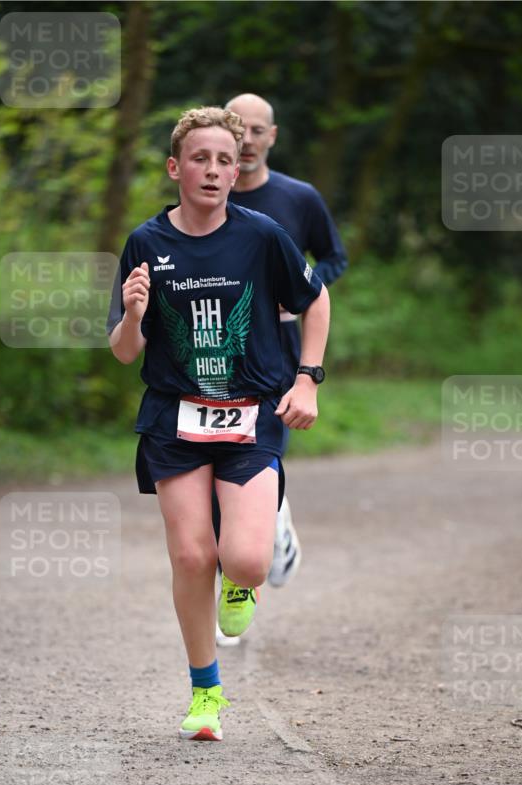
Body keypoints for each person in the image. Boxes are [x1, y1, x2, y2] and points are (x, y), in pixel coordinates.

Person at [107, 107, 330, 741]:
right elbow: (126, 352)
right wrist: (131, 314)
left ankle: (247, 581)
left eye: (224, 161)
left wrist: (308, 378)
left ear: (239, 170)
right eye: (200, 159)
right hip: (174, 420)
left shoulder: (261, 236)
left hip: (251, 415)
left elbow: (317, 302)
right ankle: (206, 693)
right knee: (190, 554)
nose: (212, 170)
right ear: (176, 167)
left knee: (248, 561)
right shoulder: (146, 243)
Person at [225, 92, 347, 593]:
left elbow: (334, 258)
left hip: (278, 347)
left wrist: (301, 293)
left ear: (272, 136)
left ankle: (269, 530)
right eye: (239, 129)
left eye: (258, 130)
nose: (247, 140)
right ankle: (249, 552)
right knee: (215, 459)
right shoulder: (207, 193)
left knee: (261, 449)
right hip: (216, 347)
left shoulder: (299, 198)